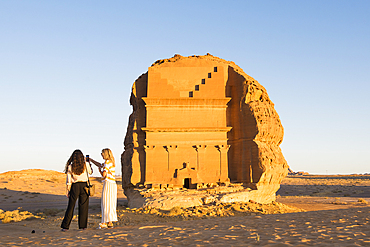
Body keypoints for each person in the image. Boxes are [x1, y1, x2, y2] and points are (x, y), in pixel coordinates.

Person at [61, 149, 93, 231]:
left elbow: (69, 180)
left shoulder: (70, 166)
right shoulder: (85, 164)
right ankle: (83, 226)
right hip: (84, 186)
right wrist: (89, 163)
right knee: (83, 206)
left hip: (74, 186)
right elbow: (90, 172)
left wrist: (68, 190)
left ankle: (65, 226)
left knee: (71, 206)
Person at [90, 148, 118, 229]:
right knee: (111, 203)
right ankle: (110, 222)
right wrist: (91, 160)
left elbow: (104, 174)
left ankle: (104, 222)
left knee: (105, 202)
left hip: (108, 184)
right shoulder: (111, 162)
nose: (101, 155)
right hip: (113, 184)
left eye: (102, 153)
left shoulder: (107, 162)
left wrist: (100, 171)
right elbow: (100, 165)